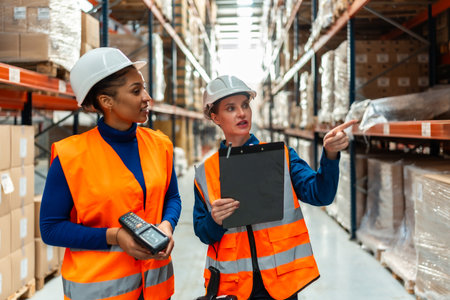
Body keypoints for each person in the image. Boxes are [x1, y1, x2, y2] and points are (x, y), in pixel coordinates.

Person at [193, 75, 357, 300]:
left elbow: (321, 194)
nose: (241, 113)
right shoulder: (206, 172)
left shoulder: (281, 156)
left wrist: (330, 154)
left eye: (245, 105)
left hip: (280, 286)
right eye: (231, 108)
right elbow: (203, 232)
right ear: (215, 117)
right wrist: (215, 220)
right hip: (235, 289)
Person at [40, 47, 181, 300]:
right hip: (99, 291)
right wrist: (114, 236)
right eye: (136, 91)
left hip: (156, 290)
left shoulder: (160, 145)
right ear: (107, 102)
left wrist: (167, 226)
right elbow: (51, 229)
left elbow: (172, 198)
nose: (147, 97)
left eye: (144, 87)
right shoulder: (71, 156)